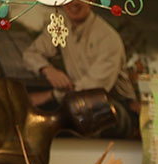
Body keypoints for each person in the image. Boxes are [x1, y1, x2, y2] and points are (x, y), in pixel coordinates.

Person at [20, 0, 137, 137]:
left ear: (92, 2)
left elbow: (93, 89)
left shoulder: (108, 38)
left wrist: (49, 95)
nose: (73, 3)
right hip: (77, 99)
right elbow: (30, 54)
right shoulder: (61, 25)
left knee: (75, 113)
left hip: (115, 107)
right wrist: (47, 69)